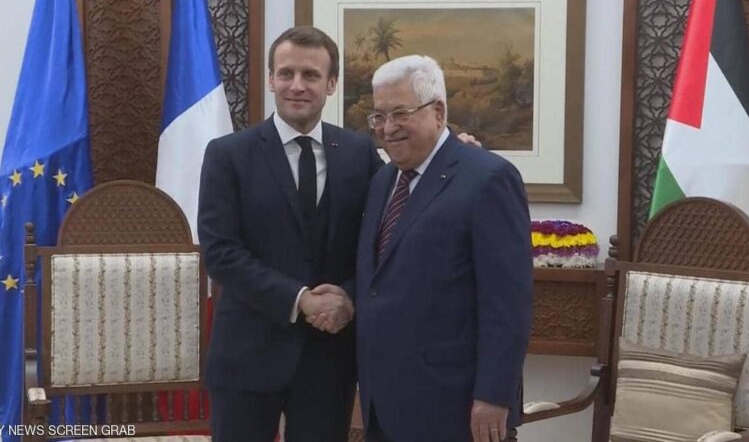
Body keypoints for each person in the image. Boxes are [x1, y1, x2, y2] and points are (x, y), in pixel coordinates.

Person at [197, 26, 383, 441]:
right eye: (286, 73)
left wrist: (347, 297)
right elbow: (221, 253)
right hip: (246, 354)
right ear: (271, 79)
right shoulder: (228, 155)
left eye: (311, 75)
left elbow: (380, 243)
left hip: (330, 358)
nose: (297, 85)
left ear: (331, 83)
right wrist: (300, 299)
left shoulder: (360, 153)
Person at [354, 55, 533, 442]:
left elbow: (508, 303)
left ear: (438, 112)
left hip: (454, 406)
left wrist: (494, 395)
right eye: (379, 116)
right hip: (383, 403)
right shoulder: (382, 182)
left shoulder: (488, 179)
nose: (388, 128)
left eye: (400, 113)